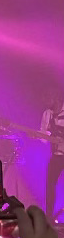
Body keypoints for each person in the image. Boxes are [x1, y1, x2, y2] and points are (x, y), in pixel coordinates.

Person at [40, 88, 64, 221]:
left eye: (47, 97)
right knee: (50, 185)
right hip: (56, 155)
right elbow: (44, 136)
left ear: (56, 97)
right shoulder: (47, 114)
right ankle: (49, 218)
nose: (45, 101)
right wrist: (37, 136)